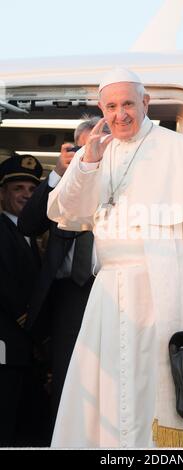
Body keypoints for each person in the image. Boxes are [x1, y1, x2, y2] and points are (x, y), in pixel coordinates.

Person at [47, 67, 183, 448]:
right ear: (102, 109)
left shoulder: (181, 150)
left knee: (164, 380)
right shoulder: (95, 152)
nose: (121, 114)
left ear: (145, 103)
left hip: (169, 282)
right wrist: (88, 165)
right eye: (112, 106)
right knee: (111, 381)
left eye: (129, 104)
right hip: (112, 287)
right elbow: (66, 213)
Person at [18, 117, 110, 427]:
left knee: (112, 376)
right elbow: (28, 224)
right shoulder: (63, 184)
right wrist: (59, 172)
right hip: (69, 294)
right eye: (84, 148)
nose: (91, 154)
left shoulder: (124, 182)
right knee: (69, 378)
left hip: (111, 287)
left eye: (98, 148)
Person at [0, 153, 50, 446]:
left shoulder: (30, 235)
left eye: (32, 190)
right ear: (3, 193)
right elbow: (6, 285)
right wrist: (36, 330)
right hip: (7, 348)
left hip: (23, 352)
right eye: (18, 188)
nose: (26, 195)